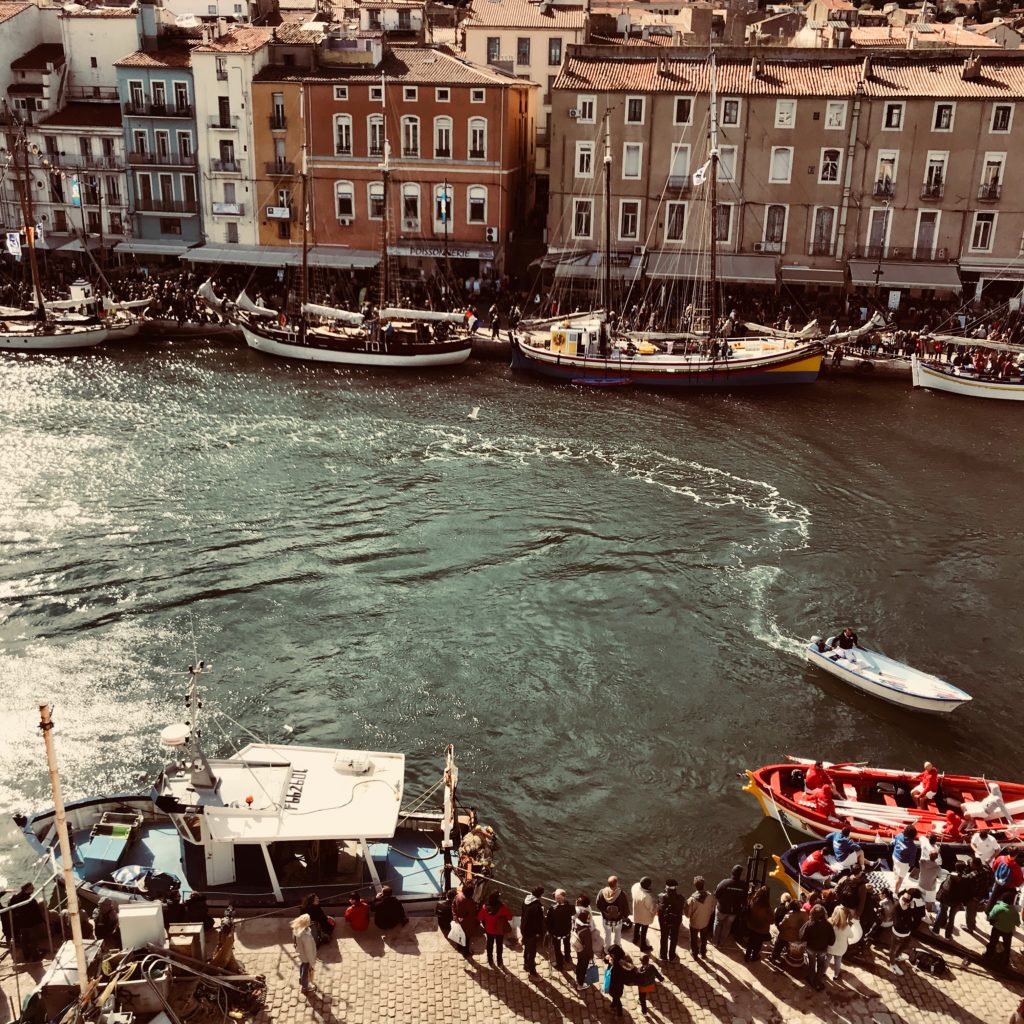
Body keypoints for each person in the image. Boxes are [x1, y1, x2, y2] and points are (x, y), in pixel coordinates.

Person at [800, 904, 835, 991]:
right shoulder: (829, 925)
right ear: (824, 914)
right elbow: (832, 941)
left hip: (811, 949)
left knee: (811, 964)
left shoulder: (809, 924)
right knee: (821, 965)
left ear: (812, 914)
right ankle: (818, 982)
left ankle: (811, 980)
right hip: (822, 949)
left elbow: (802, 937)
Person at [932, 862, 970, 939]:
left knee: (942, 912)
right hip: (957, 901)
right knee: (952, 917)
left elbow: (944, 887)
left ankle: (936, 931)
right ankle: (948, 935)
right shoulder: (966, 879)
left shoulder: (950, 876)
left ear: (956, 868)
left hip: (946, 899)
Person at [713, 864, 747, 948]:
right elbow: (744, 898)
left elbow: (716, 894)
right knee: (727, 927)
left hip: (721, 909)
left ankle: (715, 942)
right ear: (740, 874)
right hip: (733, 911)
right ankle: (721, 943)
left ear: (732, 872)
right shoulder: (744, 885)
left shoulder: (724, 882)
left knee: (717, 924)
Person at [478, 890, 513, 967]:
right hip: (499, 930)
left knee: (489, 944)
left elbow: (480, 918)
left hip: (489, 930)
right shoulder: (502, 907)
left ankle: (490, 960)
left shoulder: (484, 907)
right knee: (499, 945)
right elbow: (510, 918)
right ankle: (499, 960)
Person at [769, 896, 808, 966]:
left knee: (779, 943)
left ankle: (773, 957)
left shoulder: (789, 916)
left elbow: (781, 926)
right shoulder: (804, 913)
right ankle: (787, 954)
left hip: (787, 937)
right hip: (798, 937)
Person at [684, 876, 715, 960]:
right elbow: (712, 909)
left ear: (695, 886)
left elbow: (687, 915)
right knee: (704, 938)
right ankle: (703, 953)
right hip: (705, 922)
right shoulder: (710, 896)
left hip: (694, 923)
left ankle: (694, 953)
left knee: (693, 939)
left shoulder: (691, 899)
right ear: (703, 885)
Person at [985, 895, 1020, 968]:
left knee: (993, 942)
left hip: (997, 928)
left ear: (1002, 900)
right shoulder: (1015, 912)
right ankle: (1005, 961)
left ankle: (988, 955)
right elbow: (1018, 923)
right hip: (1008, 931)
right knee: (1007, 946)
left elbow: (990, 917)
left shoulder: (997, 907)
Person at [596, 876, 629, 951]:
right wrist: (625, 916)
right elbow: (626, 907)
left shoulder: (602, 892)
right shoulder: (621, 894)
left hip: (606, 920)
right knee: (618, 934)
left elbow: (597, 904)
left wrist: (603, 912)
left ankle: (607, 949)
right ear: (617, 884)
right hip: (618, 920)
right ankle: (617, 948)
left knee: (607, 935)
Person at [604, 945, 637, 1018]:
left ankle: (619, 1013)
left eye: (611, 954)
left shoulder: (620, 964)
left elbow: (616, 974)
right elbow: (606, 961)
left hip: (616, 985)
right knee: (614, 996)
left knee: (616, 997)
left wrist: (611, 963)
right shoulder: (615, 959)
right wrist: (607, 959)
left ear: (615, 954)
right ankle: (613, 1004)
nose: (609, 955)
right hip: (615, 984)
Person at [888, 891, 916, 975]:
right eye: (903, 899)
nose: (904, 902)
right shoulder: (897, 907)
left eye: (907, 901)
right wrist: (909, 912)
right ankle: (892, 964)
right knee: (893, 949)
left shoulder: (910, 906)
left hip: (906, 932)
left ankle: (897, 956)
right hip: (898, 933)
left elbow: (912, 918)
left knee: (905, 945)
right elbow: (898, 923)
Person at [520, 885, 546, 977]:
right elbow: (538, 922)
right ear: (540, 895)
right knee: (532, 952)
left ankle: (526, 964)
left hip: (524, 929)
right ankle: (532, 973)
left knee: (527, 949)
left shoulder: (525, 901)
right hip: (531, 933)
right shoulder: (537, 907)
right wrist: (539, 933)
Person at [290, 913, 318, 994]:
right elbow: (309, 951)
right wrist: (312, 962)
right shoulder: (306, 937)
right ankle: (305, 986)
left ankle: (302, 981)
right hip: (306, 957)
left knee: (303, 967)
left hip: (301, 954)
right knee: (306, 971)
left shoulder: (297, 930)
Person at [546, 889, 574, 971]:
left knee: (557, 949)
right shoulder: (570, 907)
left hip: (556, 933)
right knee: (567, 944)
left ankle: (560, 965)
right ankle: (567, 958)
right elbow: (572, 912)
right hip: (566, 931)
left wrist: (549, 931)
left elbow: (548, 922)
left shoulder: (552, 909)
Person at [571, 907, 598, 991]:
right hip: (584, 951)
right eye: (588, 917)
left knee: (579, 963)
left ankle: (578, 977)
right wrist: (591, 955)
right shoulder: (586, 931)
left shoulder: (576, 923)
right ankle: (580, 984)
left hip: (579, 948)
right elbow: (589, 946)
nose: (589, 918)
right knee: (584, 967)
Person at [744, 885, 773, 962]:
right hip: (761, 929)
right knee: (758, 944)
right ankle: (754, 957)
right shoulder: (767, 907)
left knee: (750, 941)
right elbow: (772, 920)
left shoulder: (753, 900)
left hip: (751, 925)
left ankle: (747, 956)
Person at [657, 878, 684, 961]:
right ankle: (672, 956)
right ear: (676, 887)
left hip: (664, 921)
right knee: (674, 937)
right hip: (676, 920)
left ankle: (663, 955)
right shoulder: (681, 898)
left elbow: (659, 909)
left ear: (666, 887)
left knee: (664, 937)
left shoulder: (661, 896)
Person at [890, 824, 920, 894]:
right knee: (900, 879)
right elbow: (912, 858)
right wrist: (910, 865)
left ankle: (895, 877)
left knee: (895, 866)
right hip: (903, 863)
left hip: (894, 856)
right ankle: (896, 892)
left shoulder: (899, 835)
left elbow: (894, 842)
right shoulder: (913, 847)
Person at [826, 905, 855, 981]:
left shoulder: (829, 923)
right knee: (838, 961)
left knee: (827, 959)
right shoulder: (846, 926)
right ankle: (836, 975)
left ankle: (823, 972)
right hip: (840, 948)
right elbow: (851, 936)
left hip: (830, 946)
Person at [451, 881, 478, 958]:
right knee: (466, 938)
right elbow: (473, 914)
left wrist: (455, 916)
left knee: (459, 935)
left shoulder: (458, 896)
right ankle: (466, 953)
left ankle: (459, 948)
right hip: (467, 924)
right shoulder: (471, 903)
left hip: (458, 921)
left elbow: (453, 905)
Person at [630, 877, 657, 953]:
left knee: (637, 925)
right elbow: (652, 909)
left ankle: (635, 939)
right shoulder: (647, 896)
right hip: (645, 916)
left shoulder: (635, 887)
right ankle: (643, 946)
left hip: (636, 912)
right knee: (644, 930)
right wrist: (657, 908)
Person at [635, 952, 663, 1017]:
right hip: (650, 985)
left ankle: (644, 1012)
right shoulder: (652, 967)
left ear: (642, 962)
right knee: (643, 995)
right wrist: (661, 979)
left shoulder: (640, 971)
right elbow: (657, 974)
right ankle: (639, 999)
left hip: (642, 987)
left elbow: (637, 980)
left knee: (643, 999)